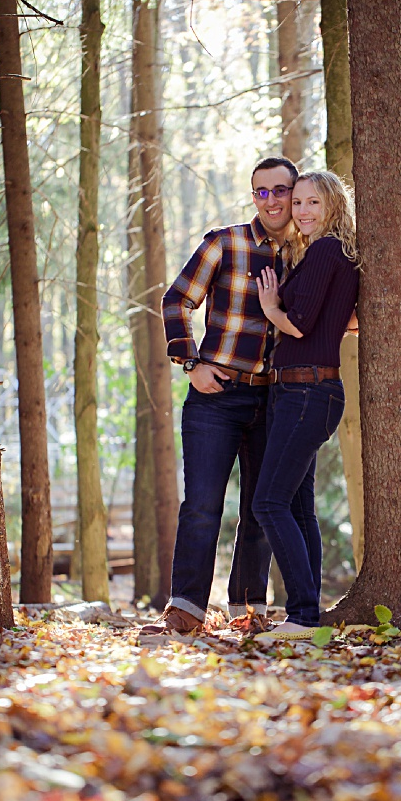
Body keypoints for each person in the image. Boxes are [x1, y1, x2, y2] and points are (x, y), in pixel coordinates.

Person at [141, 157, 297, 636]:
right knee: (203, 504)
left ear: (296, 193)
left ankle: (247, 608)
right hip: (216, 396)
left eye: (279, 190)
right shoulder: (224, 243)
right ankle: (186, 607)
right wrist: (192, 363)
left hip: (275, 399)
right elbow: (176, 300)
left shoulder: (304, 253)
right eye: (260, 191)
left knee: (261, 505)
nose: (270, 200)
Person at [249, 170, 360, 640]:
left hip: (305, 392)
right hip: (304, 391)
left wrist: (272, 307)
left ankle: (301, 616)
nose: (303, 211)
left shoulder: (325, 251)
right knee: (297, 508)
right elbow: (339, 320)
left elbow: (299, 323)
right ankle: (307, 615)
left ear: (333, 205)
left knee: (268, 503)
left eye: (314, 202)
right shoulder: (329, 254)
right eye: (298, 203)